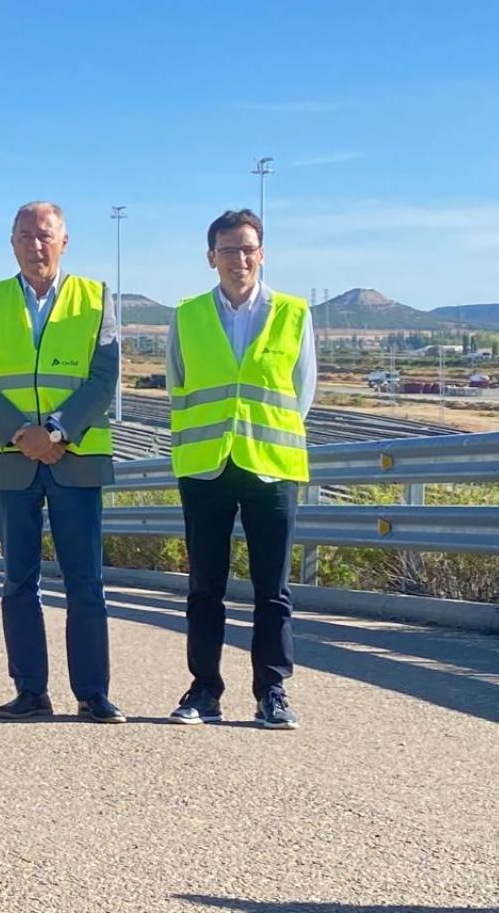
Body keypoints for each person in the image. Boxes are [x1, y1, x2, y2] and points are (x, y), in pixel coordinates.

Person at [0, 201, 124, 723]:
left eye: (45, 235)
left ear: (64, 241)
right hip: (13, 460)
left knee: (85, 581)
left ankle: (92, 693)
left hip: (74, 458)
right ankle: (31, 690)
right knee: (17, 579)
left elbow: (103, 378)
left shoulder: (95, 298)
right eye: (25, 235)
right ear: (12, 242)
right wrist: (20, 434)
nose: (35, 245)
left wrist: (54, 431)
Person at [166, 208, 314, 730]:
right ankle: (204, 689)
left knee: (272, 588)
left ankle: (271, 690)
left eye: (249, 248)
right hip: (206, 466)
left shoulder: (294, 313)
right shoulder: (187, 315)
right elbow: (178, 384)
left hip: (270, 468)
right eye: (229, 250)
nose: (240, 259)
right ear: (212, 258)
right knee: (206, 586)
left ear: (263, 253)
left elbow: (303, 391)